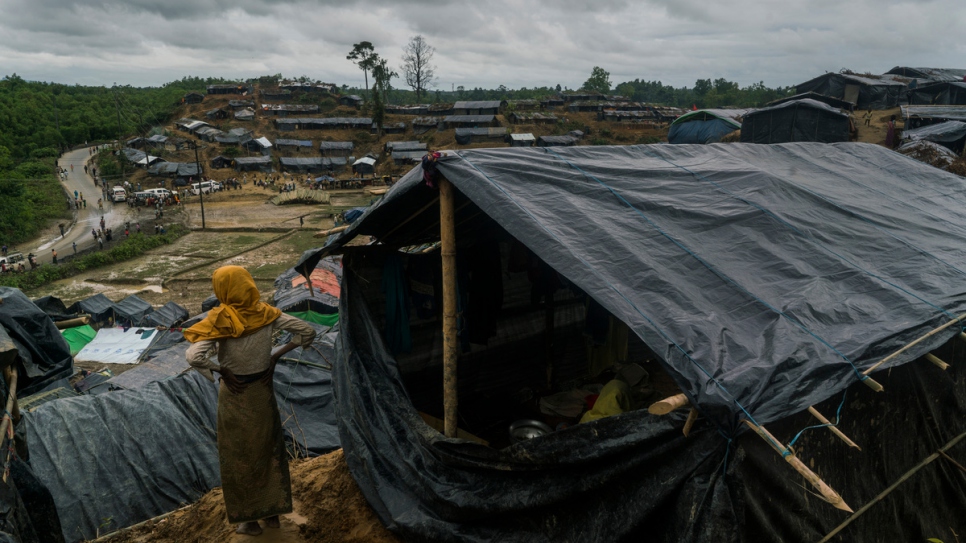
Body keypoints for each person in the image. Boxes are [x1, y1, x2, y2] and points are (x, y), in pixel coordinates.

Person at [184, 266, 316, 536]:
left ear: (223, 289)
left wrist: (222, 370)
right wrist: (275, 356)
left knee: (239, 457)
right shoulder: (266, 313)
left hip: (235, 394)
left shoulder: (222, 320)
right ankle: (274, 515)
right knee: (269, 450)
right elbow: (306, 332)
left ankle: (250, 522)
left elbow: (194, 356)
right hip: (262, 392)